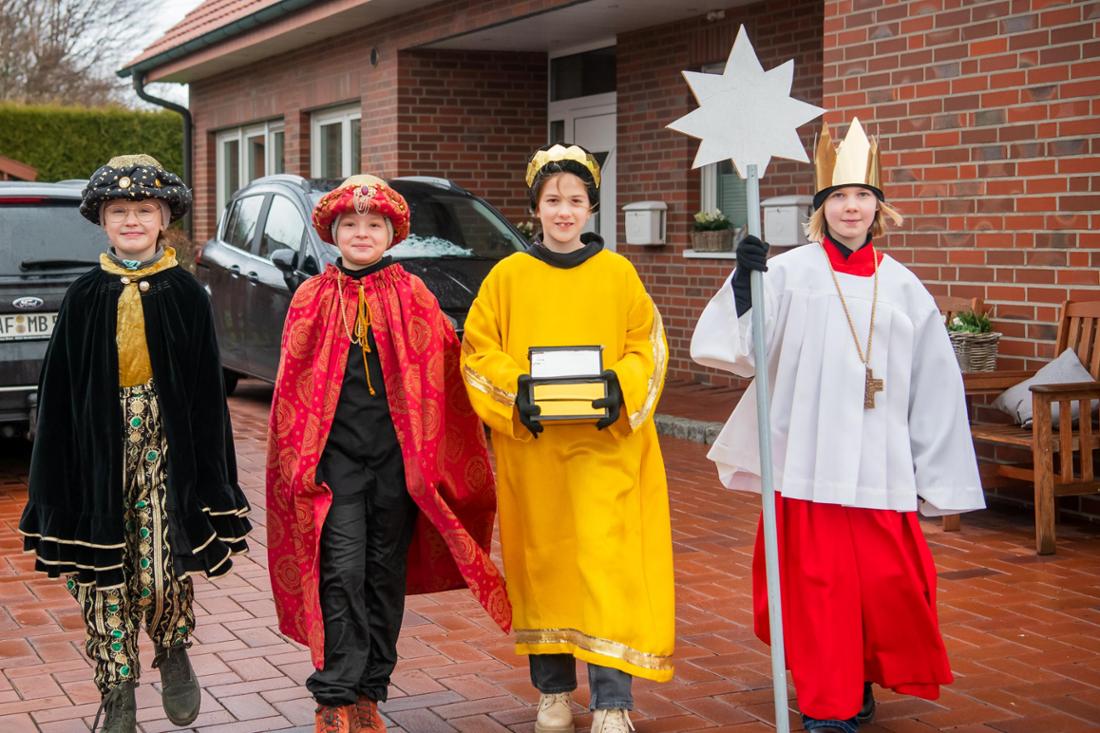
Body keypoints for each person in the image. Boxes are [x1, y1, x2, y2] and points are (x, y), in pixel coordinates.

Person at [691, 118, 985, 733]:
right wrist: (746, 284)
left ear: (879, 207)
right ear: (820, 209)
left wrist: (937, 473)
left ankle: (858, 678)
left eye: (861, 196)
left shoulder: (905, 289)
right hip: (809, 461)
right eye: (837, 197)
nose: (850, 207)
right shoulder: (792, 272)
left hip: (878, 464)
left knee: (887, 585)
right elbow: (742, 350)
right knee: (820, 589)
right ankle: (831, 703)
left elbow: (934, 387)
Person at [266, 174, 511, 733]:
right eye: (349, 225)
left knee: (381, 575)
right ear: (332, 232)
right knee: (340, 572)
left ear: (390, 233)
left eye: (372, 225)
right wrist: (299, 461)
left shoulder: (413, 294)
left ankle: (369, 689)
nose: (361, 233)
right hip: (334, 467)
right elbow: (289, 388)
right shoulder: (311, 297)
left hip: (398, 466)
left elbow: (444, 378)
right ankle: (333, 696)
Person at [19, 154, 252, 733]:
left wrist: (212, 477)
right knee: (101, 575)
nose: (130, 220)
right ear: (102, 218)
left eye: (143, 210)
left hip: (165, 451)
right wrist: (53, 473)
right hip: (96, 453)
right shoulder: (82, 297)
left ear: (164, 217)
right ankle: (116, 684)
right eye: (119, 211)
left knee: (159, 568)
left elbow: (205, 396)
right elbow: (57, 396)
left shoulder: (187, 295)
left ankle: (173, 648)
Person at [461, 144, 675, 733]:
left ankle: (612, 701)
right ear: (535, 208)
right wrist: (517, 393)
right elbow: (480, 352)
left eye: (575, 201)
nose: (563, 211)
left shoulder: (618, 274)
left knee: (608, 567)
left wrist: (619, 388)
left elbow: (648, 348)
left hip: (607, 451)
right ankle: (553, 693)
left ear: (590, 208)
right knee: (544, 567)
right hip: (537, 457)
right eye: (553, 200)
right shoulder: (508, 277)